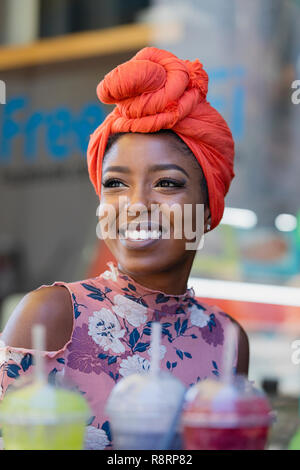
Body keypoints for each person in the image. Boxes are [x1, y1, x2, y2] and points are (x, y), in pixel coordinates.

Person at [0, 47, 249, 450]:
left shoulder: (228, 340)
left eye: (167, 183)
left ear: (208, 210)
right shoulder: (53, 316)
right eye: (116, 184)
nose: (135, 205)